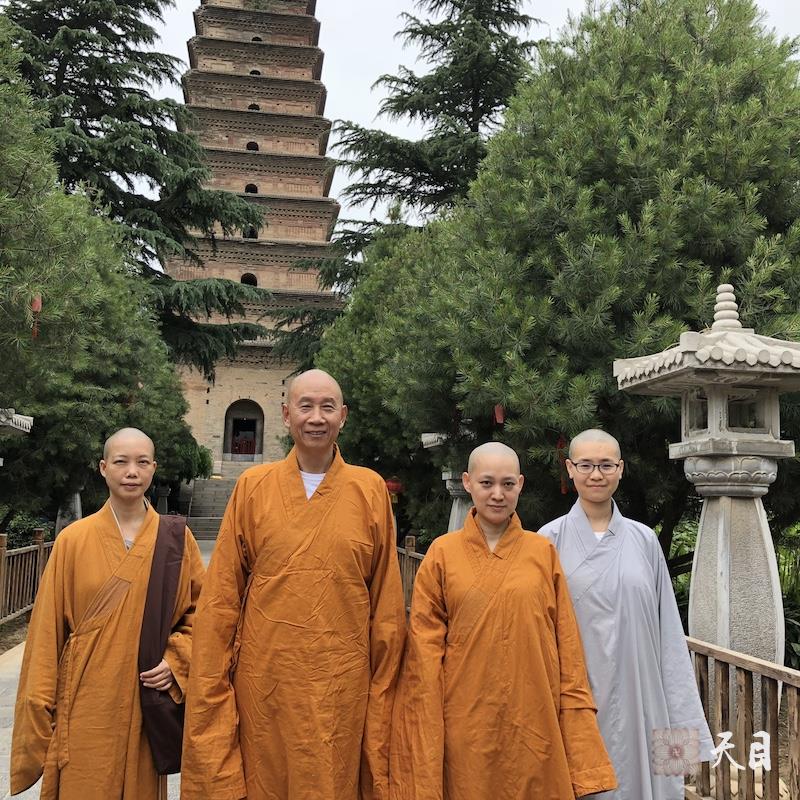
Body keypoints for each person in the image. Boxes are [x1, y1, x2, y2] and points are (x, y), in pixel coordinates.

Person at [181, 369, 406, 800]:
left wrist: (384, 689)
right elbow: (222, 598)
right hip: (265, 681)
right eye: (306, 406)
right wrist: (210, 681)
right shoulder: (252, 486)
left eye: (327, 407)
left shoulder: (369, 489)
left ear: (344, 416)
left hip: (342, 683)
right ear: (286, 415)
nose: (316, 418)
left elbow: (388, 607)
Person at [390, 442, 617, 800]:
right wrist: (428, 729)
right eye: (487, 483)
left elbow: (567, 648)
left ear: (521, 485)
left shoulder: (541, 553)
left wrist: (573, 721)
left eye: (508, 484)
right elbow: (423, 655)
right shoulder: (442, 555)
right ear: (467, 482)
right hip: (465, 719)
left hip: (534, 719)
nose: (498, 494)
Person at [10, 427, 204, 799]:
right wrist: (39, 711)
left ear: (153, 468)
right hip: (86, 704)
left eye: (142, 462)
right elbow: (47, 633)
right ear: (103, 467)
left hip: (145, 705)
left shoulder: (176, 540)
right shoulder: (74, 540)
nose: (132, 471)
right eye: (121, 462)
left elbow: (204, 616)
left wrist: (178, 659)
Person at [539, 429, 714, 800]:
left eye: (605, 465)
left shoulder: (643, 540)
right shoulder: (547, 541)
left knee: (651, 783)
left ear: (620, 469)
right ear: (570, 469)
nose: (596, 474)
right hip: (575, 696)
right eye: (586, 465)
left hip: (641, 693)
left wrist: (678, 744)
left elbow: (668, 636)